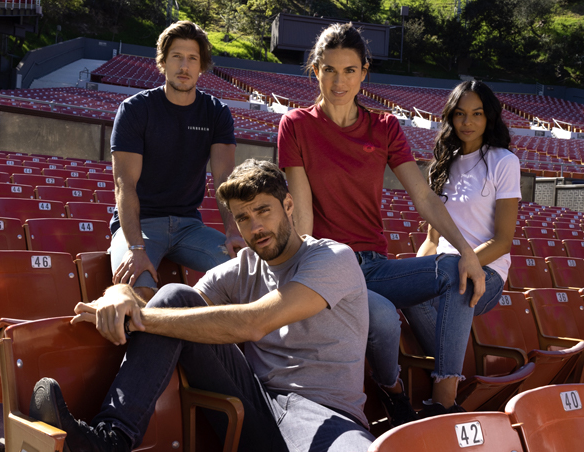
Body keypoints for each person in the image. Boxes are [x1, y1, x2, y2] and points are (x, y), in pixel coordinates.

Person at [29, 159, 375, 452]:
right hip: (255, 403)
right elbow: (166, 305)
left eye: (262, 211)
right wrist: (119, 293)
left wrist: (138, 319)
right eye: (242, 218)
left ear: (287, 205)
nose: (255, 227)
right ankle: (111, 438)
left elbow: (256, 323)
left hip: (323, 412)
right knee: (177, 296)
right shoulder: (243, 268)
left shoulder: (332, 258)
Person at [278, 23, 501, 424]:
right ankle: (393, 389)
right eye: (329, 69)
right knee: (381, 315)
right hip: (329, 263)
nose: (339, 80)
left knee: (457, 270)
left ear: (364, 72)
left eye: (349, 70)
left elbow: (423, 196)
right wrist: (306, 272)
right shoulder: (296, 124)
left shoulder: (385, 127)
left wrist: (467, 252)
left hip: (374, 265)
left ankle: (443, 397)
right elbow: (303, 211)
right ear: (315, 71)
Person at [109, 20, 245, 303]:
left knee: (245, 277)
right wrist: (135, 247)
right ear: (163, 62)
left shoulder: (216, 113)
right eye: (177, 57)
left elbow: (224, 181)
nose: (184, 66)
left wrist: (234, 232)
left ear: (201, 65)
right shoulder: (135, 109)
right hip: (141, 223)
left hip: (188, 226)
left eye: (192, 58)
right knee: (139, 290)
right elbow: (125, 185)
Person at [407, 80, 520, 416]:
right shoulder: (442, 165)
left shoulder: (503, 162)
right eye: (460, 114)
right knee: (404, 292)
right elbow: (431, 239)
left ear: (489, 118)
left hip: (487, 270)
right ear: (451, 118)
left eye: (477, 114)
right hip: (444, 267)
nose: (467, 122)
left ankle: (444, 397)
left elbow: (503, 240)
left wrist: (465, 264)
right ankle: (454, 370)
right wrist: (410, 274)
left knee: (460, 285)